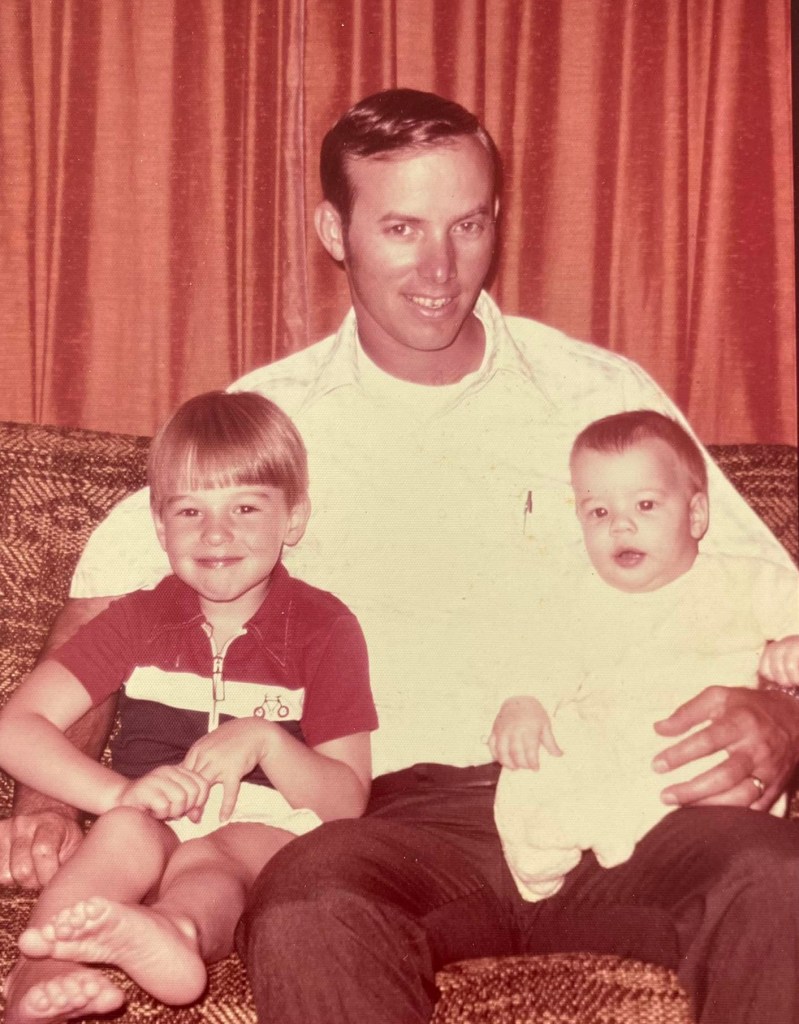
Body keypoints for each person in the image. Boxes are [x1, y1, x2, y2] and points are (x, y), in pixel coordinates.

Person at [2, 89, 799, 1024]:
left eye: (467, 224)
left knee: (774, 875)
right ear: (333, 230)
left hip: (629, 797)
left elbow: (768, 593)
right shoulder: (270, 423)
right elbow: (107, 603)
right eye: (401, 228)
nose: (439, 267)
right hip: (400, 822)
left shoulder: (598, 392)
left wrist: (780, 713)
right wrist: (43, 808)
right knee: (308, 901)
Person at [0, 391, 376, 1023]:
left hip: (266, 827)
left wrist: (267, 741)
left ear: (294, 519)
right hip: (152, 815)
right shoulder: (137, 619)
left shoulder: (325, 627)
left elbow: (347, 798)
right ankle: (42, 968)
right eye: (190, 510)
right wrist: (119, 796)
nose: (217, 533)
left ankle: (174, 934)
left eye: (247, 506)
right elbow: (16, 729)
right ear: (159, 525)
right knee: (123, 835)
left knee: (219, 856)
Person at [492, 410, 799, 901]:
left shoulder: (745, 581)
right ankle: (538, 859)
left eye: (646, 504)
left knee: (708, 768)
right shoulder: (575, 599)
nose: (621, 525)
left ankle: (612, 829)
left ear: (696, 514)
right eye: (598, 512)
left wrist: (791, 650)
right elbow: (542, 660)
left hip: (698, 758)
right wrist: (524, 703)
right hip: (603, 752)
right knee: (534, 756)